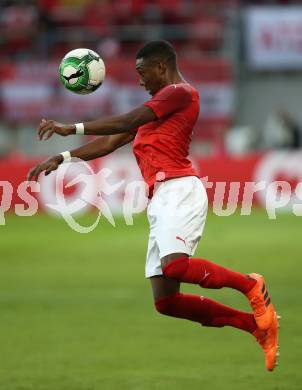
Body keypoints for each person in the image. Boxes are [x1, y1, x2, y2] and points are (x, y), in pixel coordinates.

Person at [27, 40, 279, 371]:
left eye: (142, 73)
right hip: (159, 199)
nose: (140, 81)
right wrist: (63, 156)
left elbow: (125, 121)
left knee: (176, 266)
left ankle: (251, 285)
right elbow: (111, 141)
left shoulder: (181, 93)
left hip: (179, 189)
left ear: (161, 67)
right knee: (166, 301)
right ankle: (254, 327)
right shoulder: (156, 107)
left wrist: (69, 127)